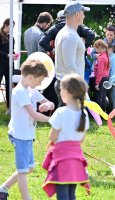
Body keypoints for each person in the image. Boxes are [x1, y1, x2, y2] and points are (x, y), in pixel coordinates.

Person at [0, 59, 55, 200]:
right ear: (30, 77)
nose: (40, 84)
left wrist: (48, 105)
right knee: (23, 171)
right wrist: (52, 120)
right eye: (40, 81)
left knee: (29, 168)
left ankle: (3, 189)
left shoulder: (31, 89)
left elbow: (49, 103)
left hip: (27, 135)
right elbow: (34, 115)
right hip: (19, 136)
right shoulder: (19, 92)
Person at [42, 74, 90, 200]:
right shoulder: (84, 113)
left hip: (62, 159)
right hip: (76, 159)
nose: (59, 92)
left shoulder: (61, 112)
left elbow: (52, 136)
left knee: (62, 193)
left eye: (61, 90)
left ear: (67, 92)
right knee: (71, 193)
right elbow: (81, 139)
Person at [54, 1, 90, 107]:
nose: (84, 15)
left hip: (67, 83)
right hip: (70, 85)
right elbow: (70, 65)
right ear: (77, 14)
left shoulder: (66, 32)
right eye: (83, 12)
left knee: (67, 121)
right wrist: (81, 87)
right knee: (68, 121)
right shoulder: (69, 35)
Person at [0, 18, 18, 114]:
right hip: (1, 64)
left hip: (9, 64)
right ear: (6, 25)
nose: (12, 29)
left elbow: (11, 50)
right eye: (12, 26)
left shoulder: (11, 37)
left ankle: (9, 107)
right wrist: (7, 55)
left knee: (9, 85)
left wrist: (14, 55)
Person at [93, 39, 110, 111]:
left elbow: (100, 72)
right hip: (106, 78)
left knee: (99, 97)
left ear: (99, 48)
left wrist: (97, 83)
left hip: (101, 79)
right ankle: (104, 112)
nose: (95, 50)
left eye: (96, 48)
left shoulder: (101, 58)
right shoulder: (106, 55)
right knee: (103, 96)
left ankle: (99, 114)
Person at [106, 42, 115, 114]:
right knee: (110, 95)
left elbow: (113, 70)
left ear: (110, 49)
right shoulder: (111, 56)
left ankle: (112, 112)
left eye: (105, 49)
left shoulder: (113, 57)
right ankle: (110, 111)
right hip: (110, 79)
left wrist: (110, 81)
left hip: (111, 79)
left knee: (110, 96)